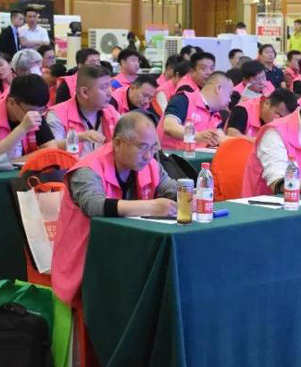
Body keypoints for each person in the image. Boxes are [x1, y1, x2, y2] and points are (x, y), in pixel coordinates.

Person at [51, 111, 178, 309]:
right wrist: (152, 206)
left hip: (127, 251)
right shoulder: (88, 169)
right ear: (118, 143)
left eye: (153, 148)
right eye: (142, 147)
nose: (148, 156)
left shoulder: (150, 165)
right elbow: (93, 205)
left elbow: (171, 190)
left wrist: (192, 193)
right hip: (87, 257)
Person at [0, 74, 60, 160]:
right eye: (30, 111)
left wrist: (15, 162)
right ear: (11, 102)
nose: (36, 115)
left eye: (41, 110)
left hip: (21, 170)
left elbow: (51, 150)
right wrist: (22, 128)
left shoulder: (36, 113)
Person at [47, 65, 120, 156]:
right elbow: (51, 149)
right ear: (84, 92)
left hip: (104, 164)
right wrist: (79, 137)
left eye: (110, 86)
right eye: (104, 87)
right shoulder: (57, 114)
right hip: (72, 164)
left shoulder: (111, 111)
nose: (110, 93)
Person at [161, 72, 233, 150]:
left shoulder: (216, 115)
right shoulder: (183, 100)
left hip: (195, 156)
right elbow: (169, 126)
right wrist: (196, 136)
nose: (230, 100)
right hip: (170, 155)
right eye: (229, 94)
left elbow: (221, 138)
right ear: (219, 88)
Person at [226, 88, 298, 139]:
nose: (280, 120)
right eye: (279, 114)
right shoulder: (243, 109)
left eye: (284, 118)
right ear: (267, 103)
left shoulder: (285, 122)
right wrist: (259, 143)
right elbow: (232, 135)